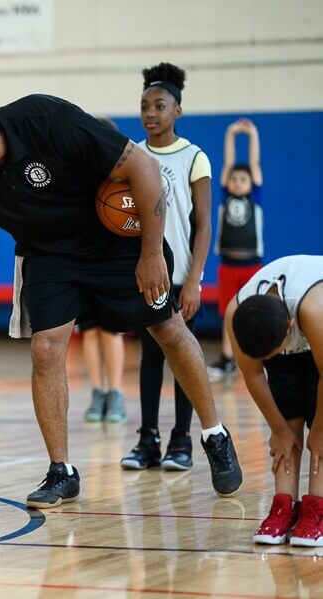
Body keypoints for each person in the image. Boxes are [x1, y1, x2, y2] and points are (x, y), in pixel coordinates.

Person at [0, 94, 242, 508]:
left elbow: (145, 167)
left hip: (115, 242)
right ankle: (61, 471)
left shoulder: (49, 121)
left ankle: (214, 434)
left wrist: (152, 254)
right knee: (46, 349)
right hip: (48, 254)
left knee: (168, 328)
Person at [120, 63, 212, 472]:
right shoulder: (132, 156)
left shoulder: (194, 156)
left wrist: (195, 279)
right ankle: (148, 440)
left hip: (181, 276)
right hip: (148, 273)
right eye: (144, 106)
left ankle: (182, 440)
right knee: (150, 358)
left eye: (159, 105)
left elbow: (205, 223)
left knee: (182, 358)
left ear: (178, 110)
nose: (150, 113)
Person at [223, 255, 323, 546]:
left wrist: (318, 431)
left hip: (319, 332)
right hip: (283, 330)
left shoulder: (313, 309)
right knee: (288, 425)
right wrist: (279, 430)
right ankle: (283, 506)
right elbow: (254, 376)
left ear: (290, 326)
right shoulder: (236, 314)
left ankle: (317, 506)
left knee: (322, 433)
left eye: (273, 352)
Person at [208, 119, 265, 381]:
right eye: (234, 178)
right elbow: (228, 164)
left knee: (254, 312)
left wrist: (252, 135)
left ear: (250, 182)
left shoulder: (255, 197)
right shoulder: (225, 196)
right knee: (228, 313)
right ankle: (227, 358)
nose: (238, 181)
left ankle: (258, 357)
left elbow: (253, 164)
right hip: (228, 264)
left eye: (243, 179)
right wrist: (230, 134)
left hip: (252, 264)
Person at [80, 117, 127, 424]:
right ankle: (97, 392)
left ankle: (116, 392)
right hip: (82, 262)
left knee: (111, 331)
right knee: (89, 331)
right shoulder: (80, 178)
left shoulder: (123, 180)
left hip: (112, 264)